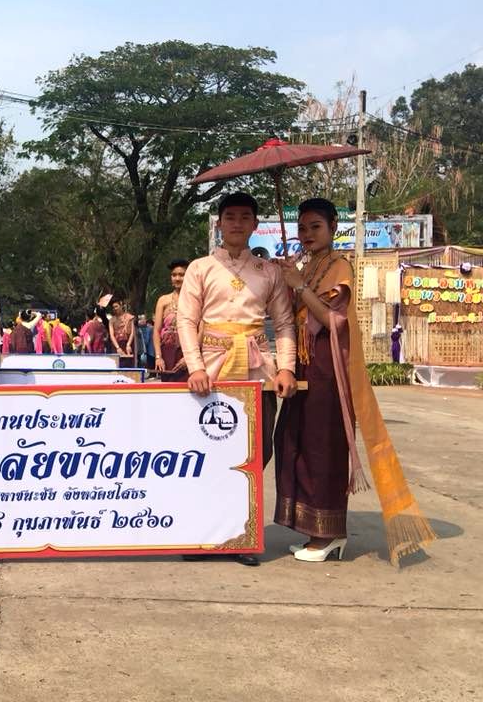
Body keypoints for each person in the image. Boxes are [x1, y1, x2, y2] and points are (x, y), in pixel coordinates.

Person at [275, 198, 435, 563]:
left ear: (333, 227)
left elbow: (333, 320)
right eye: (302, 228)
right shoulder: (308, 265)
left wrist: (299, 286)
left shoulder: (339, 266)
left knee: (324, 447)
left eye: (316, 226)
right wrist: (289, 282)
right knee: (293, 441)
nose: (307, 234)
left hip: (328, 367)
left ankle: (329, 534)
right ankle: (313, 530)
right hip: (303, 366)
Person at [177, 191, 297, 566]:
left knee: (256, 451)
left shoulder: (269, 271)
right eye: (230, 217)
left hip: (257, 369)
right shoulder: (200, 268)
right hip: (211, 370)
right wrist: (195, 366)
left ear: (255, 224)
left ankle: (243, 535)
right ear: (219, 223)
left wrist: (286, 367)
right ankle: (204, 535)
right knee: (207, 451)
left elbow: (284, 323)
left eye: (245, 217)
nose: (237, 223)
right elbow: (186, 320)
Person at [153, 259, 189, 382]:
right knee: (168, 388)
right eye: (174, 275)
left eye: (181, 275)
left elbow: (200, 330)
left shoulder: (195, 299)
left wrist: (189, 357)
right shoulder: (163, 300)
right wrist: (158, 357)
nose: (177, 278)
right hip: (167, 352)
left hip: (187, 352)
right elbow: (156, 331)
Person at [108, 296, 135, 365]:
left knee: (128, 365)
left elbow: (132, 332)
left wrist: (128, 344)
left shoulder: (130, 317)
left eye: (116, 306)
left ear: (121, 305)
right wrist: (118, 348)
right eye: (113, 307)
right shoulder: (112, 320)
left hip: (127, 344)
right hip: (116, 344)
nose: (115, 309)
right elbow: (111, 335)